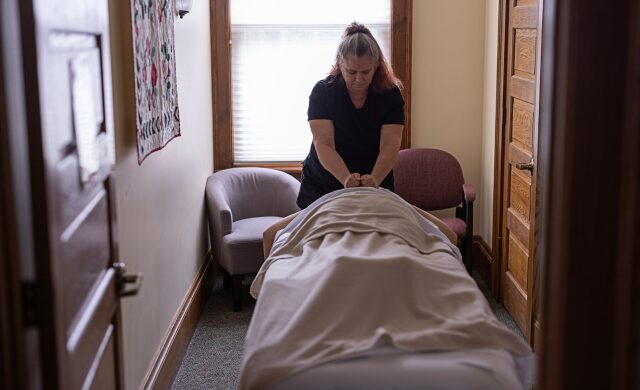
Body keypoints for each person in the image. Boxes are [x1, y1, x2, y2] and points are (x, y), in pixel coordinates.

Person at [296, 21, 405, 209]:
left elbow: (390, 145)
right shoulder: (323, 92)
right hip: (324, 182)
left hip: (375, 180)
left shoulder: (390, 94)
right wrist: (346, 178)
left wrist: (374, 180)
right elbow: (323, 143)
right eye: (351, 72)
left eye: (366, 72)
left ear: (377, 65)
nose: (359, 79)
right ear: (340, 63)